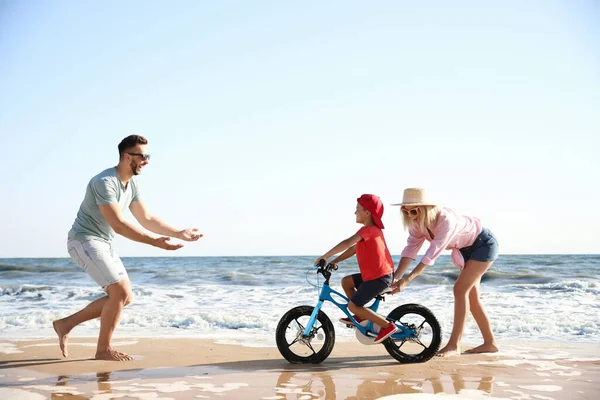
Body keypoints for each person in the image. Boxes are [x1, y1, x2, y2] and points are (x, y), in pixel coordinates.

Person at [52, 135, 202, 361]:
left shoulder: (132, 184)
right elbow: (119, 224)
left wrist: (178, 232)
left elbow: (147, 218)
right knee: (119, 293)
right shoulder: (104, 182)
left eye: (148, 156)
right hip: (84, 240)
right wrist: (154, 242)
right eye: (143, 156)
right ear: (126, 156)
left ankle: (65, 324)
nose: (147, 161)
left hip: (103, 241)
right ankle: (103, 350)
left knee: (125, 297)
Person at [390, 188, 499, 357]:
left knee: (460, 290)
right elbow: (410, 250)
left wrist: (408, 279)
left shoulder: (445, 221)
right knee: (471, 296)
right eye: (405, 211)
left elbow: (430, 255)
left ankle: (454, 345)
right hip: (464, 250)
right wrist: (396, 276)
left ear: (427, 209)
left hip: (483, 244)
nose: (410, 215)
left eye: (414, 211)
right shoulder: (417, 225)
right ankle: (490, 343)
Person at [315, 194, 398, 344]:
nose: (355, 213)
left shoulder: (369, 230)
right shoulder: (370, 232)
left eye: (357, 209)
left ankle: (387, 326)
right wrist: (335, 260)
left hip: (380, 278)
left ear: (367, 212)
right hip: (375, 276)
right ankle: (360, 315)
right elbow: (354, 249)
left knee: (353, 305)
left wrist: (325, 256)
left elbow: (347, 242)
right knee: (346, 282)